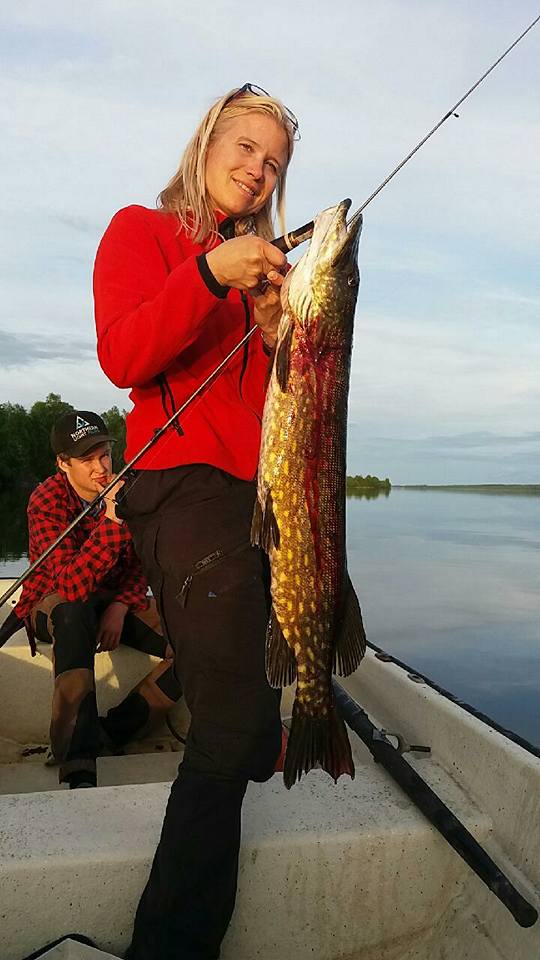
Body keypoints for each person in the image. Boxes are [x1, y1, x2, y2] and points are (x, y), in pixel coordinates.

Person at [93, 84, 298, 959]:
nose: (258, 170)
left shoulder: (266, 264)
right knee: (234, 730)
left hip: (259, 499)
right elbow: (124, 355)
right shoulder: (138, 230)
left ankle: (251, 731)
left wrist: (271, 327)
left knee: (253, 714)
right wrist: (211, 274)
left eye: (275, 164)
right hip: (182, 487)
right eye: (247, 147)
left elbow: (271, 410)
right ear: (209, 139)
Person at [13, 410, 182, 789]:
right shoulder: (46, 500)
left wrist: (122, 605)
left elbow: (142, 563)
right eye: (86, 459)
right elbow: (70, 587)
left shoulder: (129, 490)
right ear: (63, 464)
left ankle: (113, 732)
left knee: (198, 643)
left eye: (104, 454)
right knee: (73, 614)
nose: (100, 467)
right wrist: (112, 520)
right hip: (50, 603)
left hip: (112, 600)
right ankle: (77, 763)